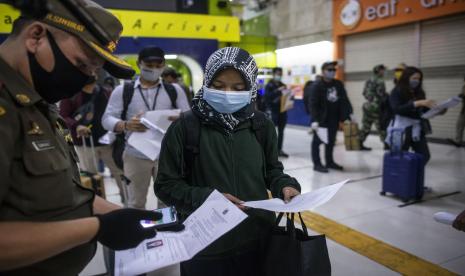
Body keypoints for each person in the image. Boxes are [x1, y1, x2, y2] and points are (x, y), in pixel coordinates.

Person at [0, 1, 166, 273]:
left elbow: (63, 192)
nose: (85, 77)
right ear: (36, 37)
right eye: (80, 64)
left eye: (93, 71)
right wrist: (96, 228)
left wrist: (117, 214)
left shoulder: (38, 103)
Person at [154, 47, 301, 276]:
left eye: (238, 88)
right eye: (219, 86)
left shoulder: (261, 125)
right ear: (207, 82)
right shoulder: (185, 128)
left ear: (250, 87)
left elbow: (272, 170)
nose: (227, 93)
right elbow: (165, 186)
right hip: (205, 246)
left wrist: (285, 185)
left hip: (259, 238)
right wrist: (208, 199)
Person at [102, 46, 190, 209]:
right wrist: (126, 124)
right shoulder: (123, 90)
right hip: (135, 154)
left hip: (167, 156)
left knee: (168, 202)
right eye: (149, 65)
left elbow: (189, 116)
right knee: (135, 202)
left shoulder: (174, 90)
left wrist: (180, 119)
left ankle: (167, 233)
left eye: (158, 65)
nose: (154, 69)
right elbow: (106, 119)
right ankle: (138, 233)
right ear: (139, 63)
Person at [59, 76, 126, 203]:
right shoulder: (71, 95)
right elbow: (63, 116)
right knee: (91, 175)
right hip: (84, 143)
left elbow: (115, 113)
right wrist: (76, 125)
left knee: (118, 172)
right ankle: (97, 203)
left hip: (107, 142)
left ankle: (126, 199)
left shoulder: (105, 92)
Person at [389, 66, 440, 165]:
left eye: (419, 79)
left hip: (417, 128)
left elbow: (422, 110)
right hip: (401, 128)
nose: (417, 81)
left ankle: (411, 173)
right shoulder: (397, 91)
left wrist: (437, 110)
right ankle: (401, 176)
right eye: (414, 78)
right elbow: (397, 109)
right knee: (398, 156)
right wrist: (417, 103)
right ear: (406, 77)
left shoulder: (420, 92)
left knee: (424, 156)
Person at [308, 61, 353, 173]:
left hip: (334, 118)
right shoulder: (317, 85)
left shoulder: (338, 84)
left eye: (334, 70)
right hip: (321, 119)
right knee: (317, 142)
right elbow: (313, 103)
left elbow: (344, 100)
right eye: (329, 70)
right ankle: (317, 164)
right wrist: (314, 120)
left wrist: (349, 114)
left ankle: (329, 162)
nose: (332, 72)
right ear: (323, 71)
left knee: (331, 141)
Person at [359, 64, 388, 151]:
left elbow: (364, 93)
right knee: (381, 126)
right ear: (378, 71)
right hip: (377, 107)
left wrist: (370, 99)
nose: (384, 72)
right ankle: (386, 144)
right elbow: (381, 94)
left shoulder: (368, 80)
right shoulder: (380, 81)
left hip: (368, 106)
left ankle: (359, 143)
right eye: (382, 70)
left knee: (366, 126)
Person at [265, 67, 290, 157]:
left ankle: (280, 149)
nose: (279, 76)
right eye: (277, 74)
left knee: (281, 131)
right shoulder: (269, 85)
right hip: (273, 111)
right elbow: (267, 97)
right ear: (273, 74)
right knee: (272, 132)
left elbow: (287, 97)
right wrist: (277, 91)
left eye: (280, 74)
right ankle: (271, 151)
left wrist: (289, 99)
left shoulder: (283, 85)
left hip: (282, 111)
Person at [449, 76, 465, 147]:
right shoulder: (464, 87)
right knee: (459, 125)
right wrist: (460, 96)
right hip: (463, 110)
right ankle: (458, 142)